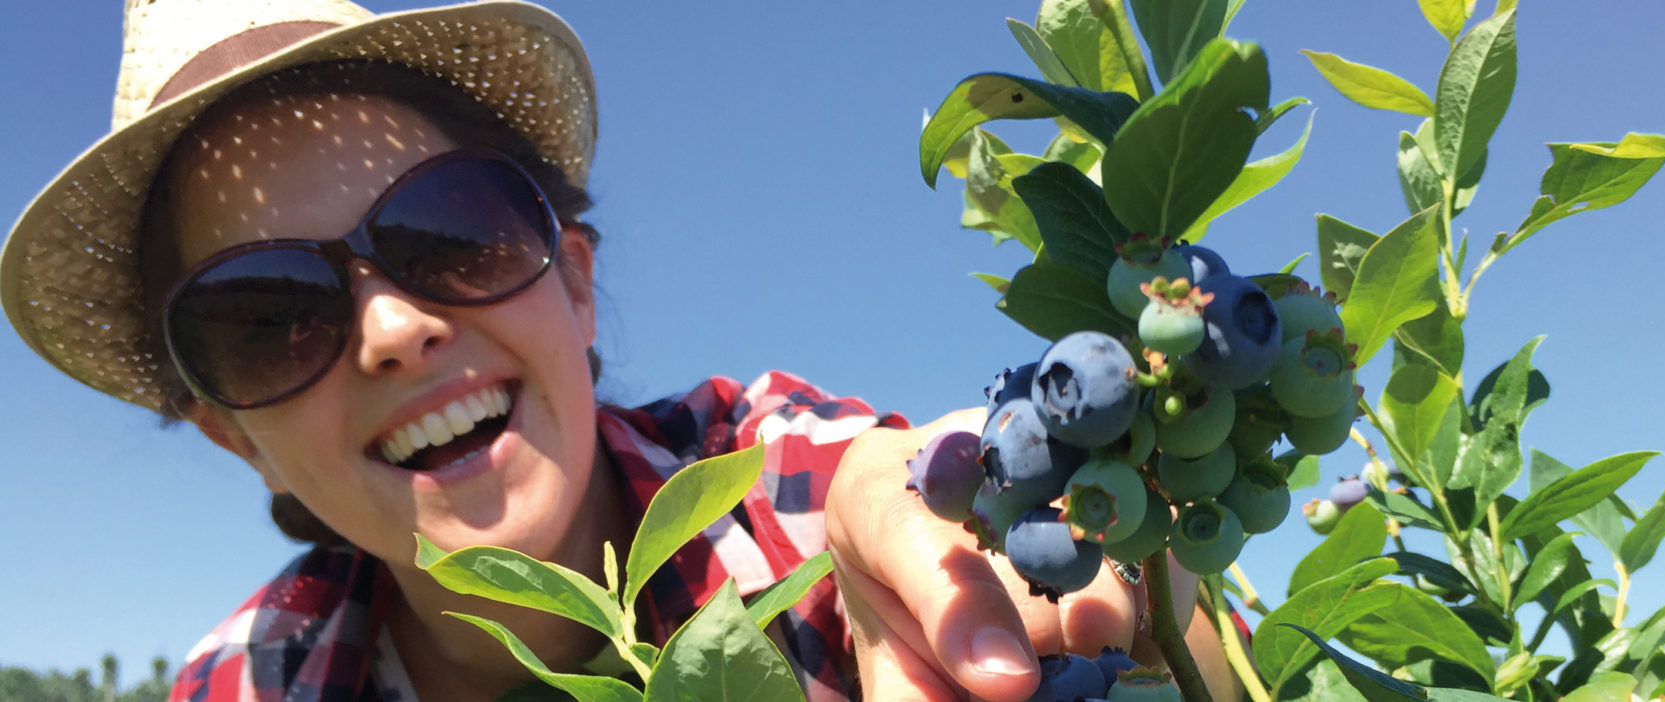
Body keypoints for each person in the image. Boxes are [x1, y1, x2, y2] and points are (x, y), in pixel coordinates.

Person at [0, 1, 1232, 700]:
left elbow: (873, 486)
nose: (394, 327)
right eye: (263, 316)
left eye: (453, 232)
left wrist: (1133, 590)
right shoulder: (239, 687)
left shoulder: (777, 509)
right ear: (230, 429)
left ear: (575, 285)